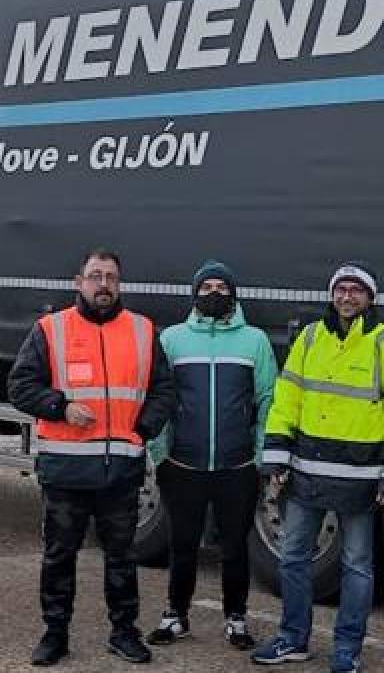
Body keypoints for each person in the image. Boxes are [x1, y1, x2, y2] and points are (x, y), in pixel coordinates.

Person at [251, 263, 384, 673]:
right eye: (341, 290)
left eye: (356, 291)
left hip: (361, 479)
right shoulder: (310, 339)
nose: (347, 297)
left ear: (370, 298)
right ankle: (293, 639)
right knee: (293, 558)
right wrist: (275, 454)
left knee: (357, 566)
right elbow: (286, 398)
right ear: (332, 295)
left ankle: (347, 648)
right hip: (307, 471)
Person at [9, 248, 176, 667]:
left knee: (122, 558)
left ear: (120, 284)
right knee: (59, 557)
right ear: (78, 282)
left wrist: (143, 429)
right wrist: (59, 406)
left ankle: (124, 633)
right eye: (96, 276)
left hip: (120, 471)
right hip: (65, 471)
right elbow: (20, 386)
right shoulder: (51, 330)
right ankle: (55, 634)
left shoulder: (141, 330)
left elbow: (164, 390)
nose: (104, 284)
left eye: (111, 277)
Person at [145, 260, 278, 651]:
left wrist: (260, 456)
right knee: (182, 543)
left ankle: (236, 618)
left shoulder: (254, 341)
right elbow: (160, 398)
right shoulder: (172, 339)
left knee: (235, 546)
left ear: (233, 294)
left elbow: (268, 400)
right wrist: (160, 451)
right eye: (206, 287)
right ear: (195, 294)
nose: (214, 292)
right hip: (183, 465)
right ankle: (175, 615)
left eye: (222, 286)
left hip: (237, 468)